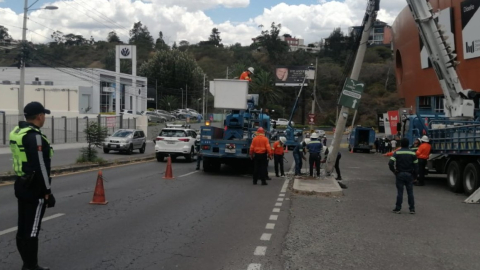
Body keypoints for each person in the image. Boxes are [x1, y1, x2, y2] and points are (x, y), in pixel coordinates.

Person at [10, 102, 55, 270]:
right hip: (34, 189)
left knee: (23, 228)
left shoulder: (18, 132)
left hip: (21, 183)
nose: (44, 118)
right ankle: (31, 266)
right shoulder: (34, 136)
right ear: (39, 116)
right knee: (32, 230)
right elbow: (41, 166)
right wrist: (47, 192)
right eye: (44, 115)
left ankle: (27, 265)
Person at [389, 138, 419, 214]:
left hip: (400, 174)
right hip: (410, 174)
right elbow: (416, 166)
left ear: (401, 144)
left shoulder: (397, 152)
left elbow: (390, 163)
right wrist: (415, 176)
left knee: (400, 192)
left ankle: (398, 208)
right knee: (410, 192)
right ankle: (412, 209)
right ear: (408, 144)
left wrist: (394, 171)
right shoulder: (412, 153)